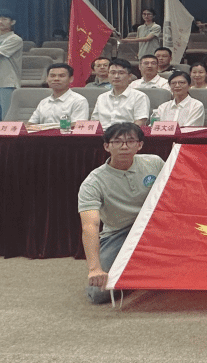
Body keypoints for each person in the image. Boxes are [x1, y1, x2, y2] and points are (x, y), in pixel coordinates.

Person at [77, 122, 163, 304]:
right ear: (106, 146)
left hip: (155, 226)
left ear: (139, 145)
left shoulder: (154, 163)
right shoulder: (93, 182)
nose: (124, 146)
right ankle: (136, 273)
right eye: (117, 142)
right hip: (119, 234)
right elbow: (90, 225)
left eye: (130, 141)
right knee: (99, 294)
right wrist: (94, 268)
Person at [26, 63, 90, 127]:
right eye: (52, 76)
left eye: (61, 76)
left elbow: (77, 126)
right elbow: (30, 125)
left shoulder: (79, 101)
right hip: (43, 133)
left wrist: (49, 128)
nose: (56, 79)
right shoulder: (43, 102)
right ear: (47, 79)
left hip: (66, 133)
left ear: (71, 79)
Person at [90, 59, 151, 126]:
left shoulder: (139, 97)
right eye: (113, 73)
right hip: (103, 132)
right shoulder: (102, 97)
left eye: (121, 73)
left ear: (129, 76)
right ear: (108, 75)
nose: (116, 76)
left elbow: (140, 123)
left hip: (128, 132)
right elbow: (94, 121)